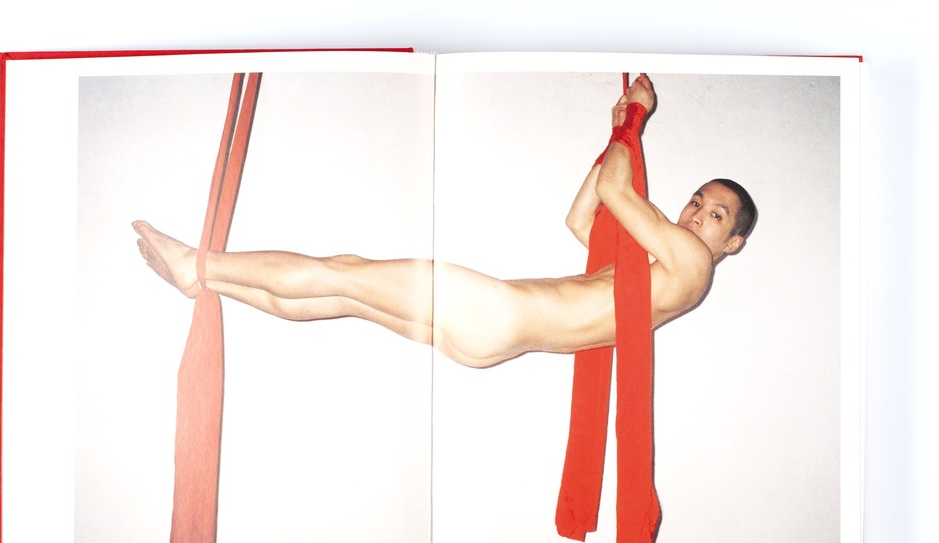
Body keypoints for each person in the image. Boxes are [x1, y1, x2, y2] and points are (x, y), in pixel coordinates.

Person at [134, 74, 756, 369]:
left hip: (499, 312)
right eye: (697, 200)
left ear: (733, 243)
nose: (696, 213)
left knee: (344, 272)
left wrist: (633, 121)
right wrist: (614, 134)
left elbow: (617, 190)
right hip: (491, 342)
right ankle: (207, 280)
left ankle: (199, 264)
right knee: (344, 295)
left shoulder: (691, 263)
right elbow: (581, 218)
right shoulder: (659, 273)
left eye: (715, 215)